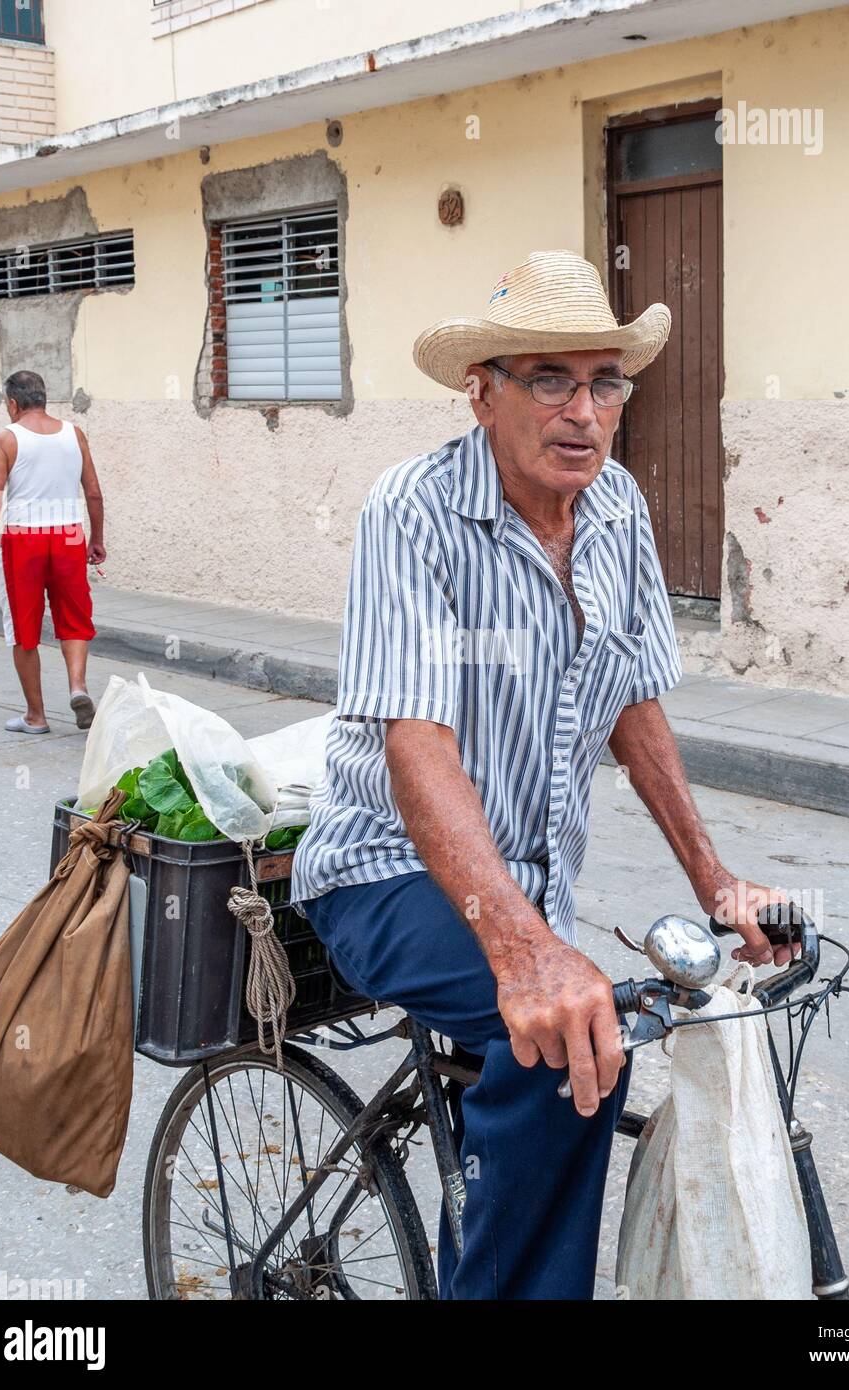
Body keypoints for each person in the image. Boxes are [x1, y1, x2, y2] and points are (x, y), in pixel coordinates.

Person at [291, 249, 800, 1300]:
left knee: (563, 1034)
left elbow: (633, 705)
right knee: (568, 1039)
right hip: (383, 870)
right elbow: (416, 740)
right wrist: (523, 951)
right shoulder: (413, 510)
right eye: (548, 380)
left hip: (527, 884)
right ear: (482, 393)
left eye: (602, 381)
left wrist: (717, 882)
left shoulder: (615, 508)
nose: (581, 410)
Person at [0, 370, 104, 734]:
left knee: (24, 630)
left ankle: (36, 716)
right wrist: (96, 539)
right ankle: (78, 686)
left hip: (23, 540)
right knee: (74, 620)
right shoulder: (74, 434)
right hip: (69, 536)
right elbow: (93, 493)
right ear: (44, 398)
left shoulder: (6, 439)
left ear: (12, 403)